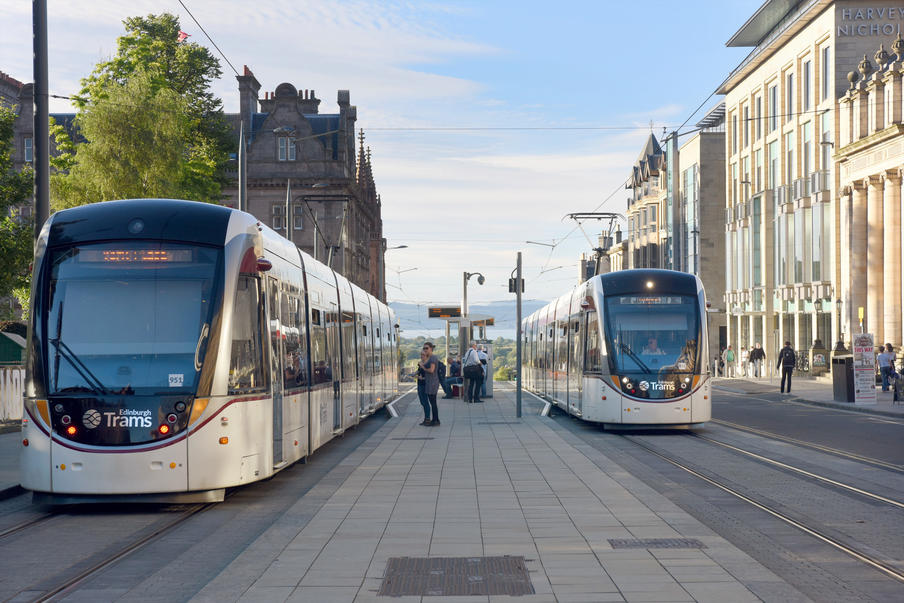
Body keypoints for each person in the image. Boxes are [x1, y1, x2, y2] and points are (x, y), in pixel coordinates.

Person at [418, 342, 440, 425]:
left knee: (433, 403)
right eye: (424, 348)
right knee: (432, 402)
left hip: (432, 383)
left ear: (431, 348)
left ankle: (435, 420)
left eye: (426, 348)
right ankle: (435, 419)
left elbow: (431, 370)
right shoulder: (430, 358)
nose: (425, 350)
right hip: (429, 382)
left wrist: (423, 367)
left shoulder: (433, 358)